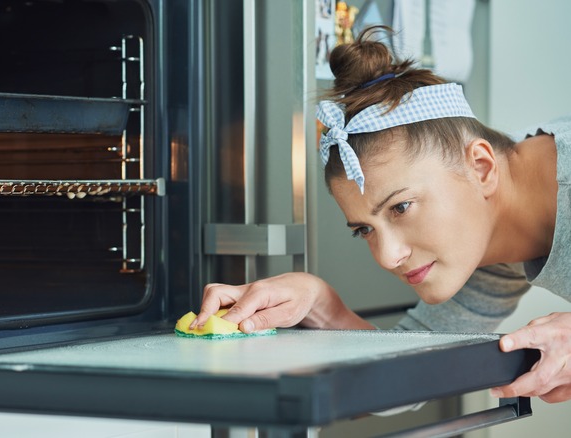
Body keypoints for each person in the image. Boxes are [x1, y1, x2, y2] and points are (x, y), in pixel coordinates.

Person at [189, 27, 571, 404]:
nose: (388, 257)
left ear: (482, 167)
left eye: (401, 207)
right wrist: (325, 307)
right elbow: (407, 380)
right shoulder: (489, 248)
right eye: (364, 230)